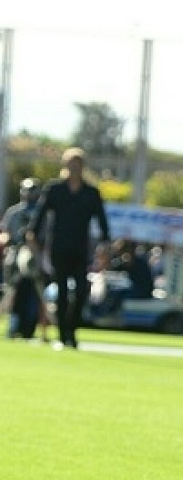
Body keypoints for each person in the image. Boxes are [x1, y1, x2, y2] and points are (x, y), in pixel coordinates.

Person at [27, 148, 110, 349]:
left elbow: (102, 220)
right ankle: (64, 334)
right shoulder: (55, 189)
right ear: (65, 166)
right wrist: (33, 236)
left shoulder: (91, 193)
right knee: (62, 291)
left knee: (81, 290)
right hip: (59, 248)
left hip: (81, 249)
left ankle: (72, 330)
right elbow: (40, 216)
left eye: (78, 164)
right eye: (71, 164)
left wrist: (105, 243)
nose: (74, 168)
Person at [1, 177, 48, 339]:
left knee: (36, 293)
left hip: (35, 256)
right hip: (15, 254)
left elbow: (46, 236)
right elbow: (6, 234)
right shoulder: (14, 212)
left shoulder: (43, 213)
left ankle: (33, 327)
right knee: (12, 290)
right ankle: (13, 325)